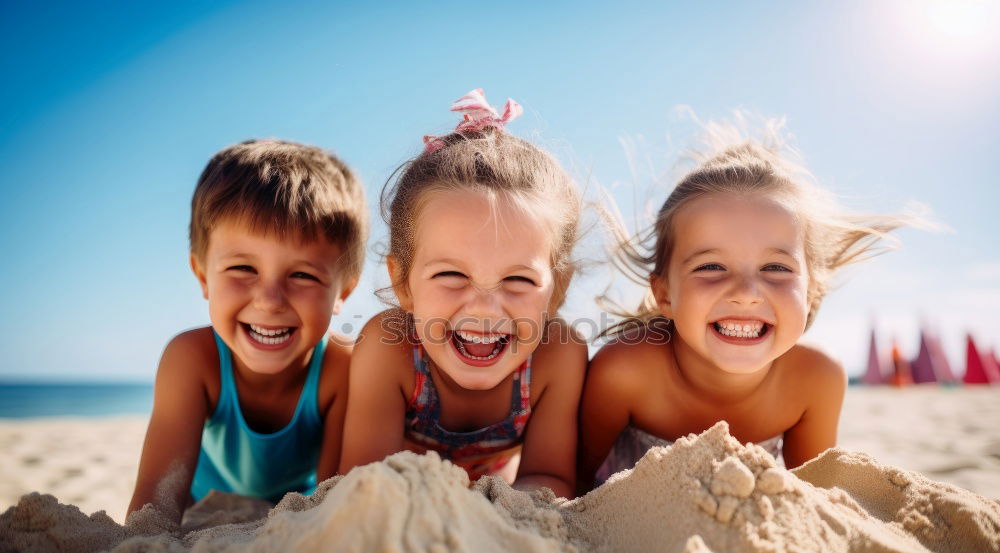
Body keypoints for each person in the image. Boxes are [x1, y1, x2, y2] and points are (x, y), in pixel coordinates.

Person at [579, 122, 912, 489]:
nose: (747, 292)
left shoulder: (815, 379)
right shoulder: (624, 372)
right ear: (665, 295)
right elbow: (571, 488)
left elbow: (815, 501)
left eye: (776, 268)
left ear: (811, 291)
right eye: (711, 267)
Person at [334, 89, 587, 498]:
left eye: (518, 280)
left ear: (557, 289)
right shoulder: (388, 349)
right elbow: (362, 484)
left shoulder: (558, 357)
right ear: (403, 284)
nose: (485, 307)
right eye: (452, 275)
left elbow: (552, 480)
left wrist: (497, 517)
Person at [127, 139, 368, 523]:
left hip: (294, 513)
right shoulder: (192, 360)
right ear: (203, 274)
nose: (270, 300)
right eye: (243, 269)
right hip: (202, 510)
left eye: (303, 275)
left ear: (344, 292)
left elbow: (333, 503)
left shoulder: (343, 369)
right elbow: (154, 507)